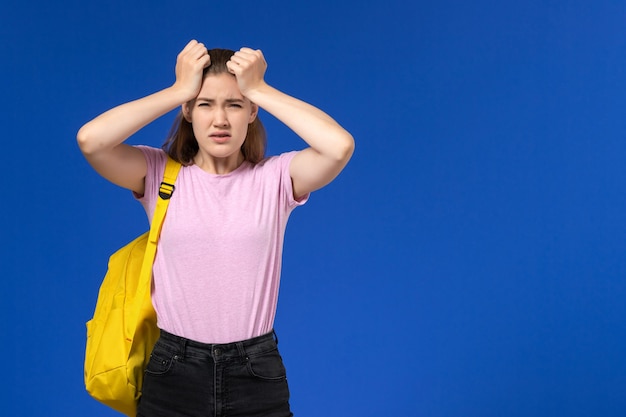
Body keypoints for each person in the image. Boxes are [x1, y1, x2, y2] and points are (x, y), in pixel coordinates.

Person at [77, 40, 354, 417]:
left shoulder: (274, 178)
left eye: (234, 104)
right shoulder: (160, 174)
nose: (220, 119)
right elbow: (91, 141)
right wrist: (177, 90)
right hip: (173, 369)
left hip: (255, 371)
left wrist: (260, 88)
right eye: (205, 103)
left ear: (252, 112)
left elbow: (338, 146)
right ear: (188, 111)